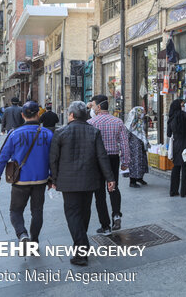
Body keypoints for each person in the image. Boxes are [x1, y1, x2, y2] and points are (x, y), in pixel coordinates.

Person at [49, 101, 114, 266]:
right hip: (89, 180)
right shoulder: (94, 131)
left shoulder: (61, 132)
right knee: (84, 213)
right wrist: (110, 178)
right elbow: (102, 157)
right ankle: (81, 246)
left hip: (68, 182)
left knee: (73, 215)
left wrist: (53, 179)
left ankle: (81, 250)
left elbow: (53, 159)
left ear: (71, 115)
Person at [0, 101, 54, 245]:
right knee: (37, 211)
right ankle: (35, 240)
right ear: (38, 114)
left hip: (20, 180)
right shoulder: (48, 134)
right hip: (41, 180)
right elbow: (54, 158)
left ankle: (22, 234)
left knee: (16, 211)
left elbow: (2, 157)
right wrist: (52, 178)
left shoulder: (14, 134)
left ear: (22, 115)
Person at [87, 94, 130, 235]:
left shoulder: (91, 123)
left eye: (93, 105)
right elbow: (124, 144)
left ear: (98, 107)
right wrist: (125, 162)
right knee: (113, 187)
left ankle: (105, 226)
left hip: (97, 160)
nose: (92, 108)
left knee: (99, 193)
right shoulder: (118, 122)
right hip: (112, 158)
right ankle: (116, 214)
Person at [125, 107, 149, 188]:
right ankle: (132, 181)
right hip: (133, 148)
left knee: (141, 162)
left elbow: (142, 133)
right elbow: (126, 135)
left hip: (140, 146)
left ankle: (140, 178)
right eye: (141, 112)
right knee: (134, 163)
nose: (143, 114)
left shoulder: (140, 121)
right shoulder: (130, 123)